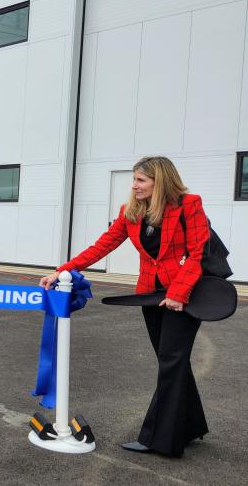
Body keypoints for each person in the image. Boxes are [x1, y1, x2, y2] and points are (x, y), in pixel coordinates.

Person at [40, 156, 209, 457]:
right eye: (134, 179)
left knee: (172, 361)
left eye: (141, 180)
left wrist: (179, 293)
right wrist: (62, 270)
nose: (134, 185)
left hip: (184, 296)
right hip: (150, 295)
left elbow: (197, 253)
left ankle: (160, 440)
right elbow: (102, 245)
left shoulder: (188, 205)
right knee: (172, 361)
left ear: (161, 181)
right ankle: (191, 426)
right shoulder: (130, 212)